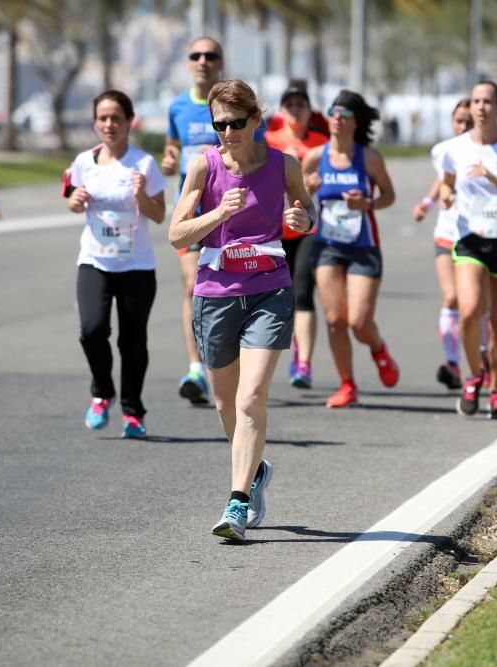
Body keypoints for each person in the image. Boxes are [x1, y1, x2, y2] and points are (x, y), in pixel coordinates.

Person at [169, 79, 314, 542]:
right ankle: (255, 470)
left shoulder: (283, 165)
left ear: (255, 119)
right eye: (219, 125)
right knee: (226, 403)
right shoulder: (203, 166)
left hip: (269, 287)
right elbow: (177, 234)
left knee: (251, 398)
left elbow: (307, 213)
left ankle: (237, 503)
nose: (226, 132)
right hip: (215, 292)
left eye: (235, 123)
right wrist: (217, 215)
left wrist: (301, 221)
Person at [162, 37, 266, 407]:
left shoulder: (237, 107)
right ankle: (196, 368)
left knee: (237, 284)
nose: (203, 60)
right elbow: (171, 147)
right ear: (189, 61)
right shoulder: (178, 106)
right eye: (196, 55)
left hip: (239, 214)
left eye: (211, 55)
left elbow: (259, 156)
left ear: (221, 61)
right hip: (196, 214)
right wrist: (170, 162)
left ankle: (236, 359)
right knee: (192, 284)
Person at [63, 90, 167, 438]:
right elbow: (72, 201)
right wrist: (75, 202)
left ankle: (133, 411)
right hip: (94, 260)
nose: (110, 124)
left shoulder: (144, 164)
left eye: (116, 118)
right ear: (96, 123)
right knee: (92, 330)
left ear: (129, 122)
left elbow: (159, 214)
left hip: (136, 266)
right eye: (103, 118)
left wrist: (140, 196)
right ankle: (102, 390)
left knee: (132, 342)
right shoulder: (84, 162)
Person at [438, 80, 497, 419]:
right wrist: (446, 196)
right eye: (476, 101)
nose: (481, 107)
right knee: (469, 312)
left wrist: (495, 179)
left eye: (488, 101)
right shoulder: (455, 148)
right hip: (469, 241)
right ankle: (473, 375)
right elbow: (445, 187)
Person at [302, 90, 398, 409]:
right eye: (333, 113)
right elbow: (298, 202)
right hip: (327, 246)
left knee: (358, 321)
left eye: (345, 114)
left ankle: (378, 348)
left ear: (356, 122)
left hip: (363, 247)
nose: (337, 119)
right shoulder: (315, 157)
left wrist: (366, 203)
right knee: (334, 319)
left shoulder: (368, 158)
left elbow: (389, 196)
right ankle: (347, 384)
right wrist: (308, 190)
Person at [413, 98, 491, 391]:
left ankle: (484, 359)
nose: (463, 126)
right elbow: (443, 179)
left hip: (480, 235)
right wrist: (427, 203)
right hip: (447, 231)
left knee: (479, 306)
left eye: (469, 121)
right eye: (459, 120)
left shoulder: (489, 151)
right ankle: (453, 364)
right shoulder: (443, 150)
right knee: (451, 299)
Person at [265, 81, 329, 389]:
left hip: (308, 228)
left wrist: (317, 184)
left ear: (309, 110)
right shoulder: (269, 140)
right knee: (279, 297)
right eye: (289, 105)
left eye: (300, 105)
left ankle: (303, 361)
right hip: (274, 229)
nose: (295, 110)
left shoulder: (320, 142)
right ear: (281, 110)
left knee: (303, 293)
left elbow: (336, 179)